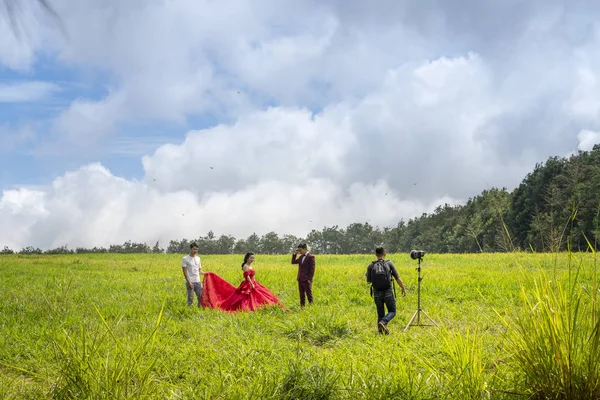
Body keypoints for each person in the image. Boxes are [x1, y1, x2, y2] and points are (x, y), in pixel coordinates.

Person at [202, 252, 286, 312]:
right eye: (251, 258)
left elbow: (253, 275)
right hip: (248, 283)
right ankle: (247, 307)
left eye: (253, 258)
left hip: (253, 282)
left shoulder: (250, 266)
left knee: (261, 294)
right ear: (247, 258)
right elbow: (247, 276)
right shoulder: (245, 266)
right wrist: (251, 283)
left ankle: (265, 306)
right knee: (245, 297)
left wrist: (255, 282)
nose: (252, 259)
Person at [366, 247, 406, 334]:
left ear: (376, 255)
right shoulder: (389, 263)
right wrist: (403, 288)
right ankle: (383, 323)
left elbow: (368, 281)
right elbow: (397, 278)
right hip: (388, 291)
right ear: (385, 254)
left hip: (377, 293)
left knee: (380, 313)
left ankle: (381, 331)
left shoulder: (371, 266)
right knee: (392, 311)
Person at [182, 242, 206, 307]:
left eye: (197, 249)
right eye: (194, 249)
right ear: (190, 249)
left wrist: (206, 274)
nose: (195, 251)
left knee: (200, 296)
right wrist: (189, 282)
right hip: (190, 281)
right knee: (190, 297)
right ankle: (189, 310)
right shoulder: (185, 259)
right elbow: (184, 271)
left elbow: (199, 271)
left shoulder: (198, 258)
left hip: (197, 281)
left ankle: (199, 309)